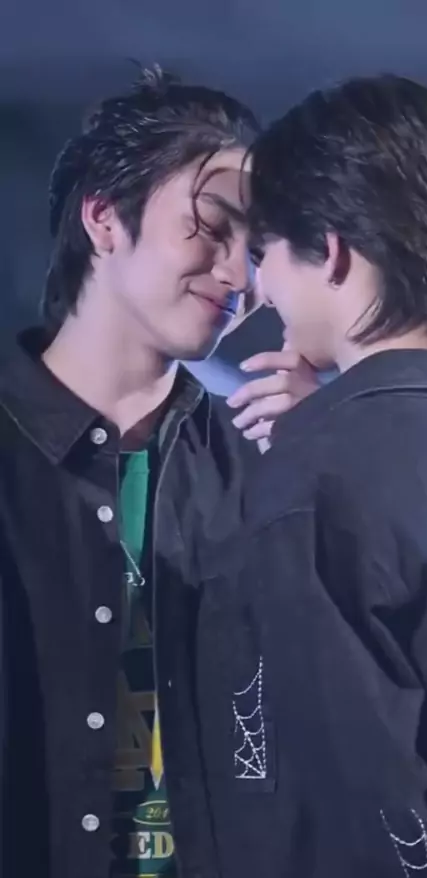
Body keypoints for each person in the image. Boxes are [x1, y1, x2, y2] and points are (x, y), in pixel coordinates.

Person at [0, 68, 318, 878]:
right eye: (212, 226)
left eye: (256, 248)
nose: (239, 274)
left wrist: (336, 452)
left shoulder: (259, 462)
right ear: (105, 217)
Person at [194, 75, 427, 877]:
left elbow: (362, 797)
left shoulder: (314, 481)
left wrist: (322, 443)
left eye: (266, 253)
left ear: (335, 250)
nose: (258, 287)